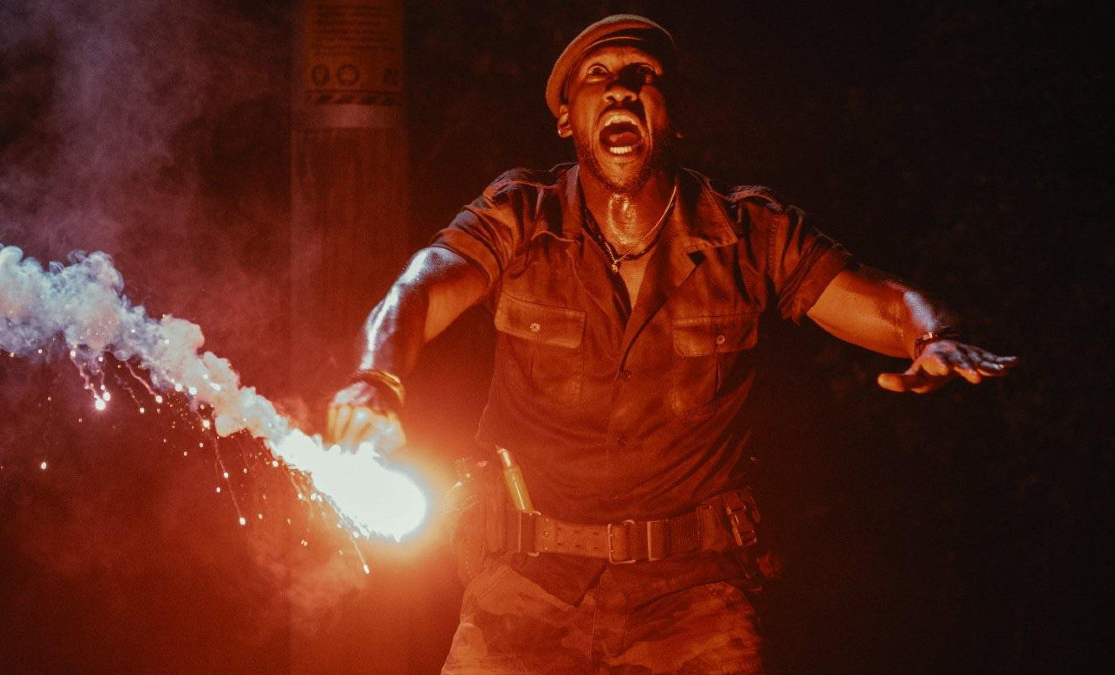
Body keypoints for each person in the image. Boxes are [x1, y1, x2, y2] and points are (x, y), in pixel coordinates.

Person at [326, 14, 1016, 675]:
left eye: (643, 75)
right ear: (567, 118)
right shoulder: (520, 215)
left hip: (695, 595)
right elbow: (419, 288)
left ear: (675, 116)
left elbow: (887, 302)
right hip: (525, 587)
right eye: (597, 75)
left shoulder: (748, 231)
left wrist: (934, 336)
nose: (620, 89)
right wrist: (375, 379)